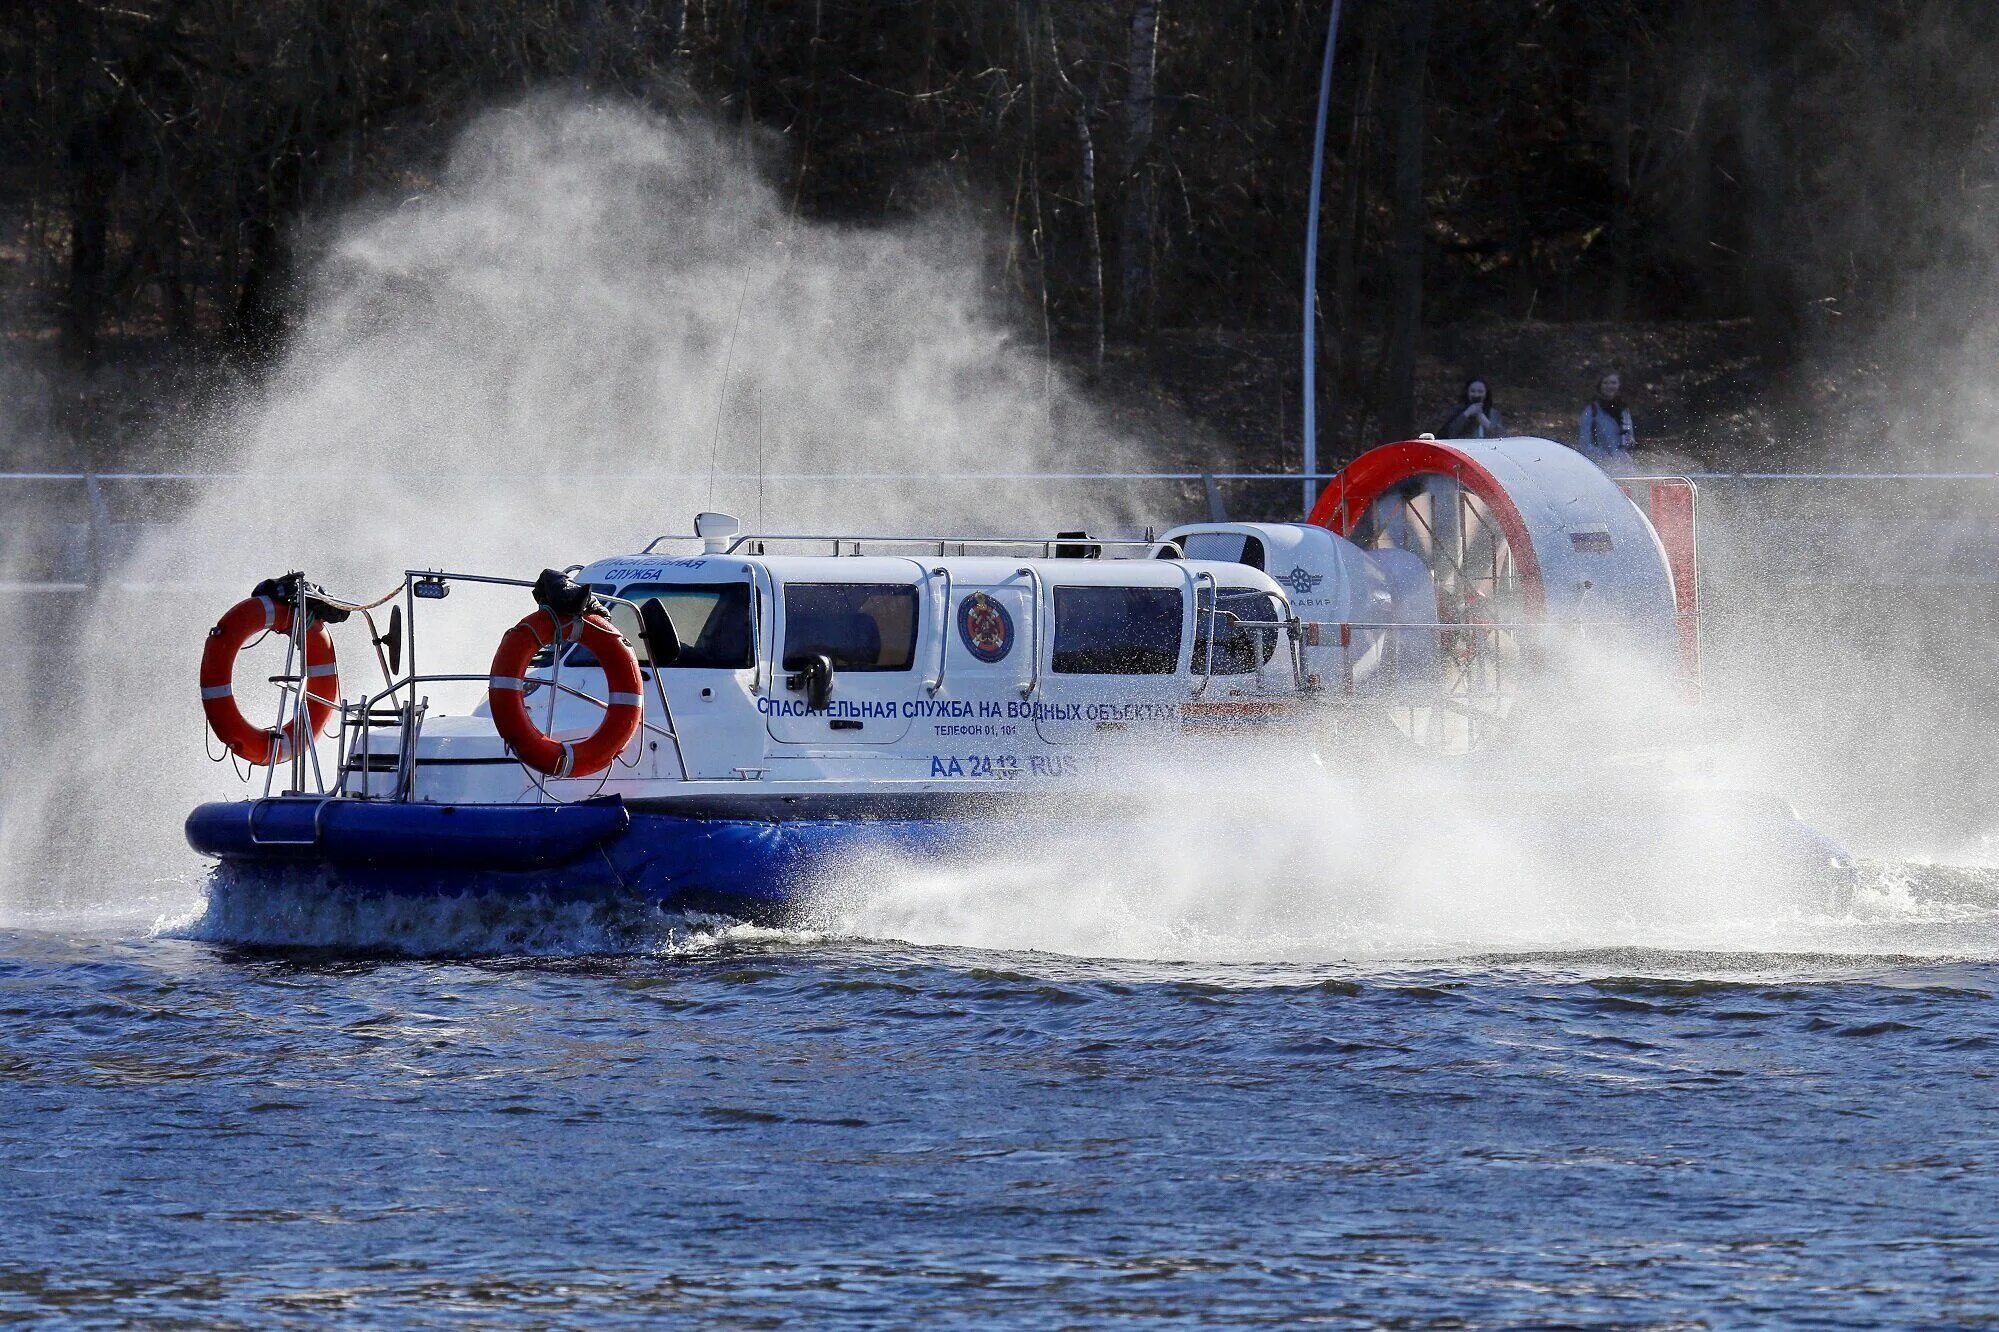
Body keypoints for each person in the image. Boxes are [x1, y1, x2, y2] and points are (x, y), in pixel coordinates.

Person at [1577, 372, 1636, 467]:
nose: (1609, 386)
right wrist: (1604, 458)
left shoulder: (1624, 409)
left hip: (1622, 464)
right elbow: (1585, 443)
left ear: (1619, 385)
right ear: (1599, 385)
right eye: (1605, 383)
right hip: (1598, 464)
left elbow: (1629, 438)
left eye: (1613, 383)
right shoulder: (1591, 410)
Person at [1438, 378, 1505, 439]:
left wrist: (1486, 422)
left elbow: (1503, 437)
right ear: (1467, 392)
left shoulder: (1493, 413)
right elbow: (1449, 433)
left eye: (1480, 392)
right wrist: (1466, 414)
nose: (1476, 395)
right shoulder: (1456, 410)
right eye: (1472, 391)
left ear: (1486, 394)